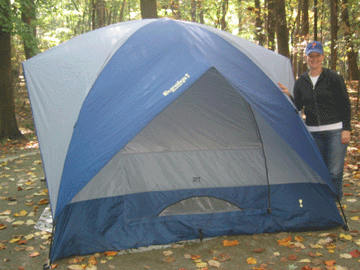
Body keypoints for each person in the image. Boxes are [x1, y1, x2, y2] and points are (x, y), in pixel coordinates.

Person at [278, 41, 352, 200]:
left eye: (317, 55)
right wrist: (288, 95)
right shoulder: (301, 81)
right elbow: (298, 106)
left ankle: (335, 201)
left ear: (322, 57)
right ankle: (327, 203)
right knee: (321, 170)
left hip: (335, 131)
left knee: (334, 171)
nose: (314, 59)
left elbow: (345, 104)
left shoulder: (333, 78)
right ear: (306, 58)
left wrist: (347, 128)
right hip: (314, 133)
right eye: (311, 56)